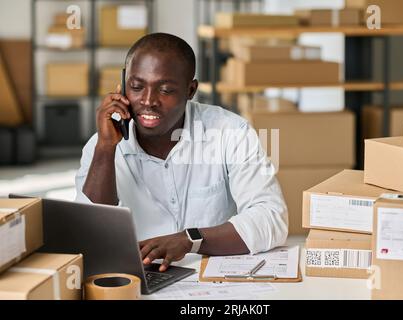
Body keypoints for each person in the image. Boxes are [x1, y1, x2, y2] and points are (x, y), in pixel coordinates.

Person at [75, 33, 288, 272]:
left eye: (165, 90)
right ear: (123, 85)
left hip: (214, 279)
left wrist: (191, 239)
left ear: (191, 90)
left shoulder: (230, 132)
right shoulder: (102, 145)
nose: (148, 101)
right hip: (140, 279)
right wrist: (105, 149)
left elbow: (271, 218)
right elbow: (89, 232)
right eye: (136, 87)